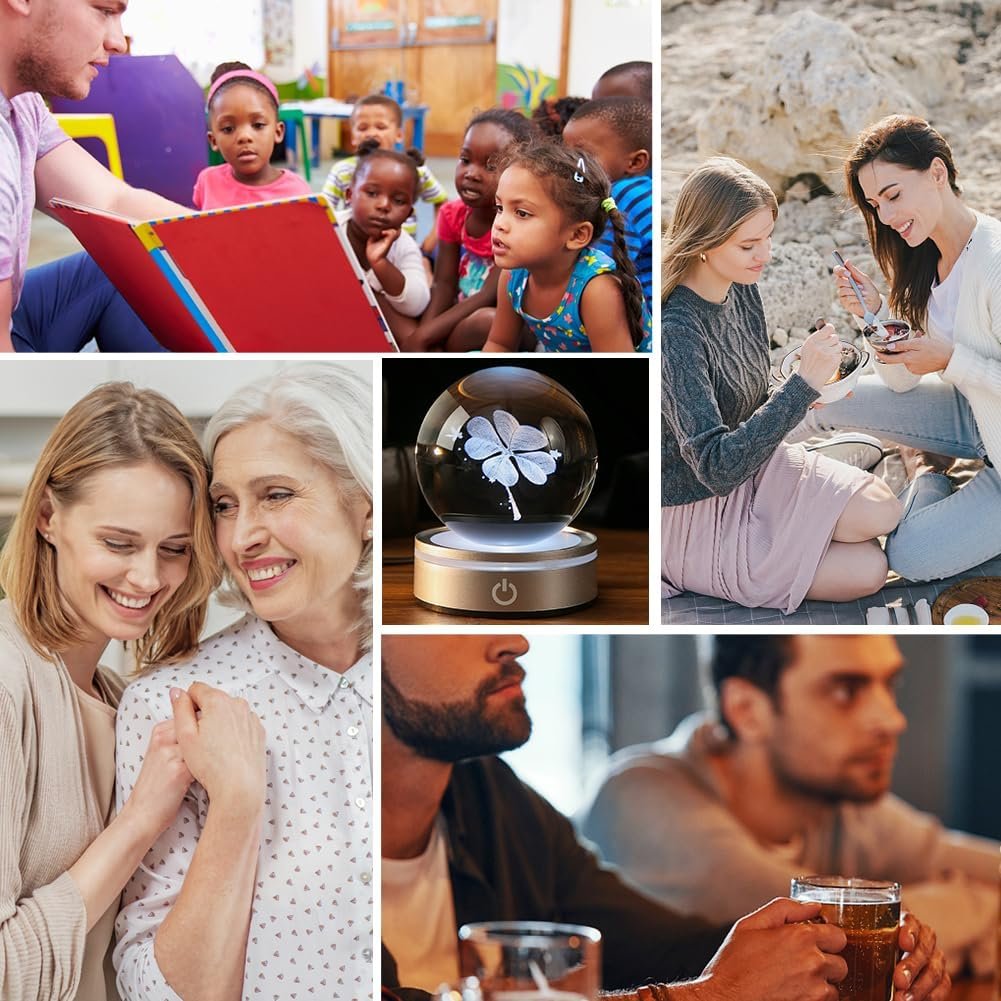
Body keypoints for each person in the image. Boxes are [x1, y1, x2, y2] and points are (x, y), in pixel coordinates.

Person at [381, 634, 951, 1001]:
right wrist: (713, 996)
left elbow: (661, 946)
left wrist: (821, 954)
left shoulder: (489, 797)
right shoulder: (302, 848)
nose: (516, 639)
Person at [114, 364, 374, 1001]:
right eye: (225, 505)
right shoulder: (174, 706)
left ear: (364, 506)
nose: (242, 536)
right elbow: (152, 991)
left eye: (277, 495)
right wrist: (236, 806)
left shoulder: (435, 672)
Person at [578, 634, 999, 975]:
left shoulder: (837, 802)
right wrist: (979, 908)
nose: (892, 720)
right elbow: (824, 941)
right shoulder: (639, 800)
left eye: (890, 684)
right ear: (747, 710)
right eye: (845, 690)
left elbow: (990, 866)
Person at [0, 381, 221, 1000]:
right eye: (118, 543)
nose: (149, 578)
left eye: (174, 549)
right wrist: (138, 823)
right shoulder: (5, 682)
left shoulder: (126, 700)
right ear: (48, 518)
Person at [661, 157, 902, 612]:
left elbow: (752, 404)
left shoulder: (741, 286)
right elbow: (714, 468)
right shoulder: (677, 330)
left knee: (883, 510)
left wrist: (809, 391)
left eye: (768, 236)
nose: (765, 254)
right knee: (869, 571)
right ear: (704, 244)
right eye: (749, 244)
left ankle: (831, 477)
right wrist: (800, 388)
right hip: (691, 509)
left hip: (757, 466)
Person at [802, 114, 1001, 581]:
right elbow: (901, 380)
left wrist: (951, 361)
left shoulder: (994, 264)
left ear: (937, 173)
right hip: (973, 413)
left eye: (893, 196)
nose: (886, 217)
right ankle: (737, 502)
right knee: (816, 397)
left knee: (909, 557)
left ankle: (925, 469)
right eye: (875, 204)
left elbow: (945, 364)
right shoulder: (922, 258)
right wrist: (875, 318)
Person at [1, 0, 189, 351]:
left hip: (13, 317)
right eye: (104, 10)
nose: (118, 41)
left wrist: (245, 244)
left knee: (130, 258)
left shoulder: (22, 104)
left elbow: (112, 201)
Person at [484, 142, 651, 352]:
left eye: (522, 213)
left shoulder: (597, 290)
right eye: (500, 208)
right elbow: (500, 344)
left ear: (577, 235)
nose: (499, 224)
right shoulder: (513, 276)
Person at [408, 108, 535, 352]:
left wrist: (424, 336)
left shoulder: (516, 225)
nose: (471, 174)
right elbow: (444, 284)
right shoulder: (452, 215)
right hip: (462, 313)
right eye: (465, 160)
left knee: (485, 320)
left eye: (489, 166)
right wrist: (423, 334)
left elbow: (489, 295)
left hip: (505, 325)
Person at [322, 93, 447, 260]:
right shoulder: (342, 170)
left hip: (401, 253)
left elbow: (442, 202)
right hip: (353, 253)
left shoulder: (414, 169)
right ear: (353, 137)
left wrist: (432, 238)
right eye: (362, 128)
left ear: (399, 135)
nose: (371, 133)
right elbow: (323, 209)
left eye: (380, 127)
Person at [562, 97, 653, 307]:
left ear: (635, 162)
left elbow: (599, 270)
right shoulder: (638, 189)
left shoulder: (624, 196)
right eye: (566, 155)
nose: (570, 166)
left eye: (582, 155)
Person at [338, 139, 431, 343]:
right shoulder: (330, 230)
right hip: (331, 316)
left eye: (398, 201)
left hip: (376, 335)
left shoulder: (404, 246)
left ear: (409, 214)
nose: (383, 205)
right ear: (349, 195)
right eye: (372, 193)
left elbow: (417, 304)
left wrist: (380, 264)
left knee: (410, 334)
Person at [192, 61, 312, 210]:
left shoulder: (296, 192)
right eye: (228, 129)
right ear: (213, 140)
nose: (244, 137)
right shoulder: (208, 181)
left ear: (278, 132)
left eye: (258, 125)